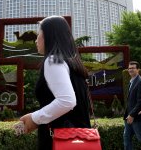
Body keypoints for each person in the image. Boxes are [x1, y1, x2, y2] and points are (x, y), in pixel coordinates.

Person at [19, 15, 91, 150]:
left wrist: (34, 118)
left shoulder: (54, 60)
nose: (36, 40)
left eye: (39, 34)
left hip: (60, 140)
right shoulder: (73, 62)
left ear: (49, 35)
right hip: (81, 140)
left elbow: (67, 101)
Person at [123, 61, 141, 150]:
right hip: (128, 117)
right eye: (129, 68)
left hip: (136, 117)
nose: (130, 70)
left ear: (138, 69)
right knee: (126, 138)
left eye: (133, 68)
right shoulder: (131, 81)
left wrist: (132, 114)